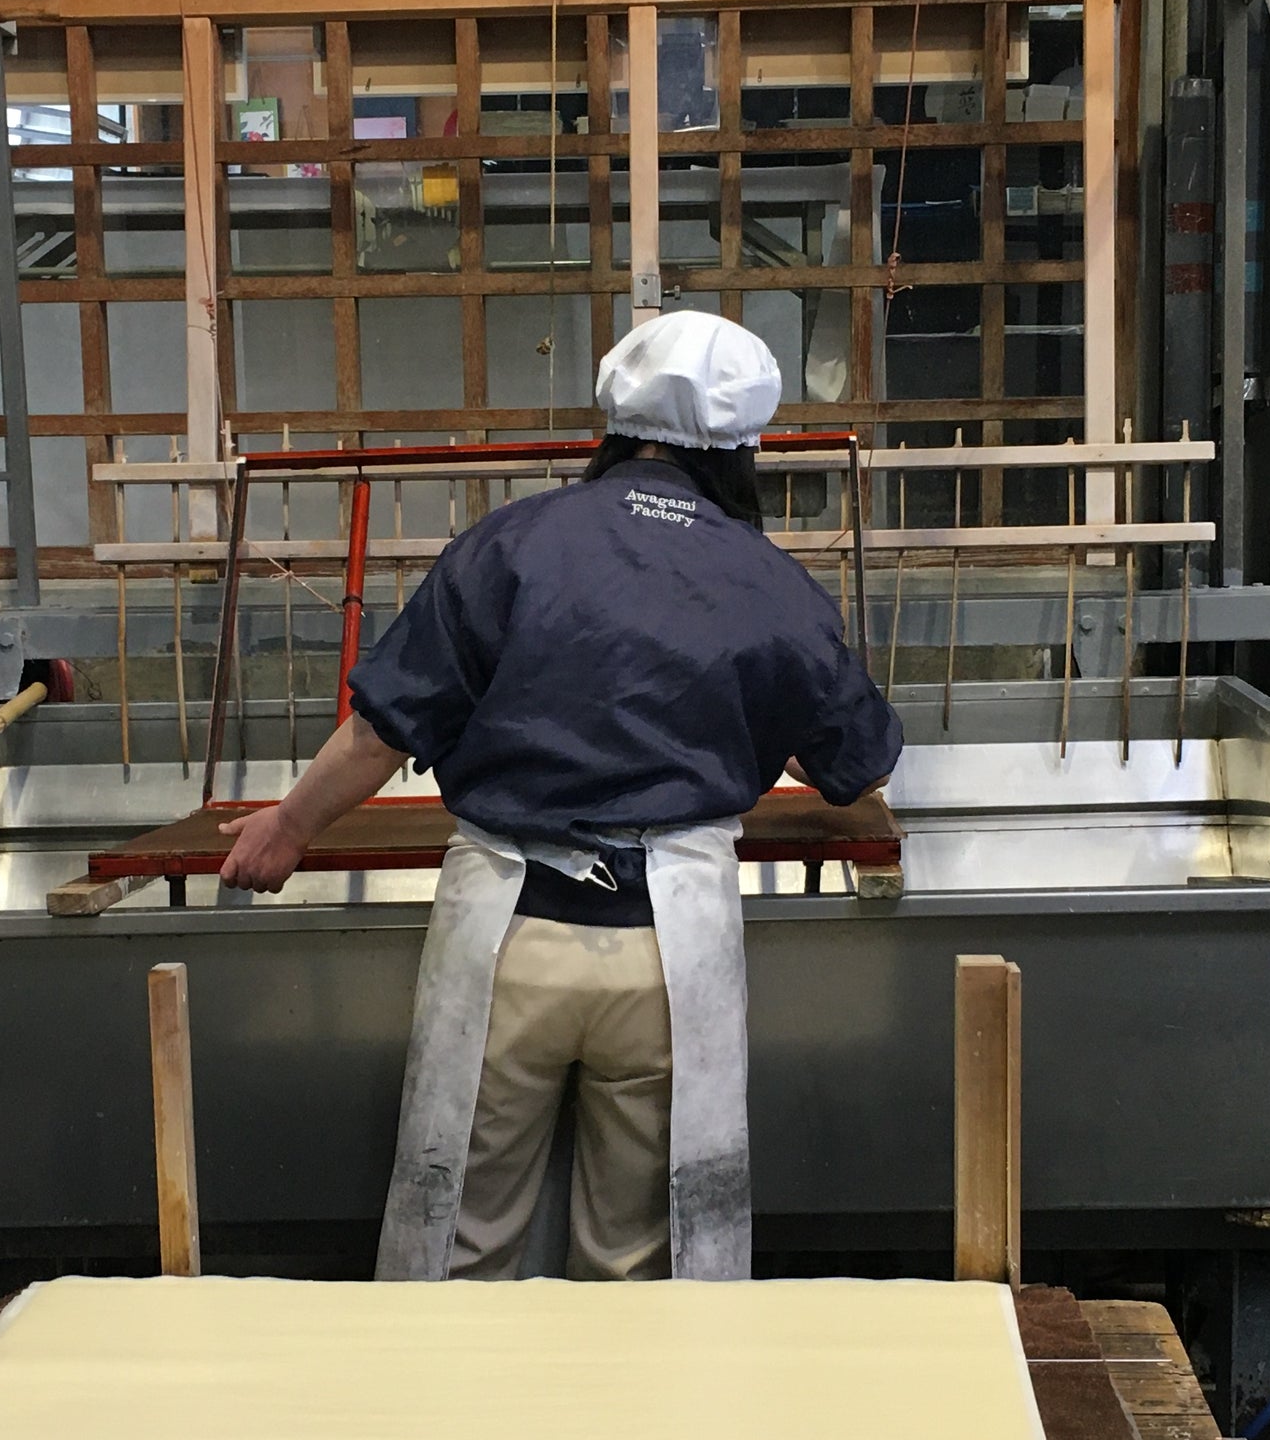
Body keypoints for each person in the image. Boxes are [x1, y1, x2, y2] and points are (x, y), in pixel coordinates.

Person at [214, 311, 904, 1283]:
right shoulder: (770, 585)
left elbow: (381, 730)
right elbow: (858, 768)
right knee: (636, 1257)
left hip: (505, 934)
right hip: (671, 950)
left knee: (459, 1230)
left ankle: (449, 1430)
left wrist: (288, 827)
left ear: (612, 425)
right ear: (743, 451)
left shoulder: (510, 546)